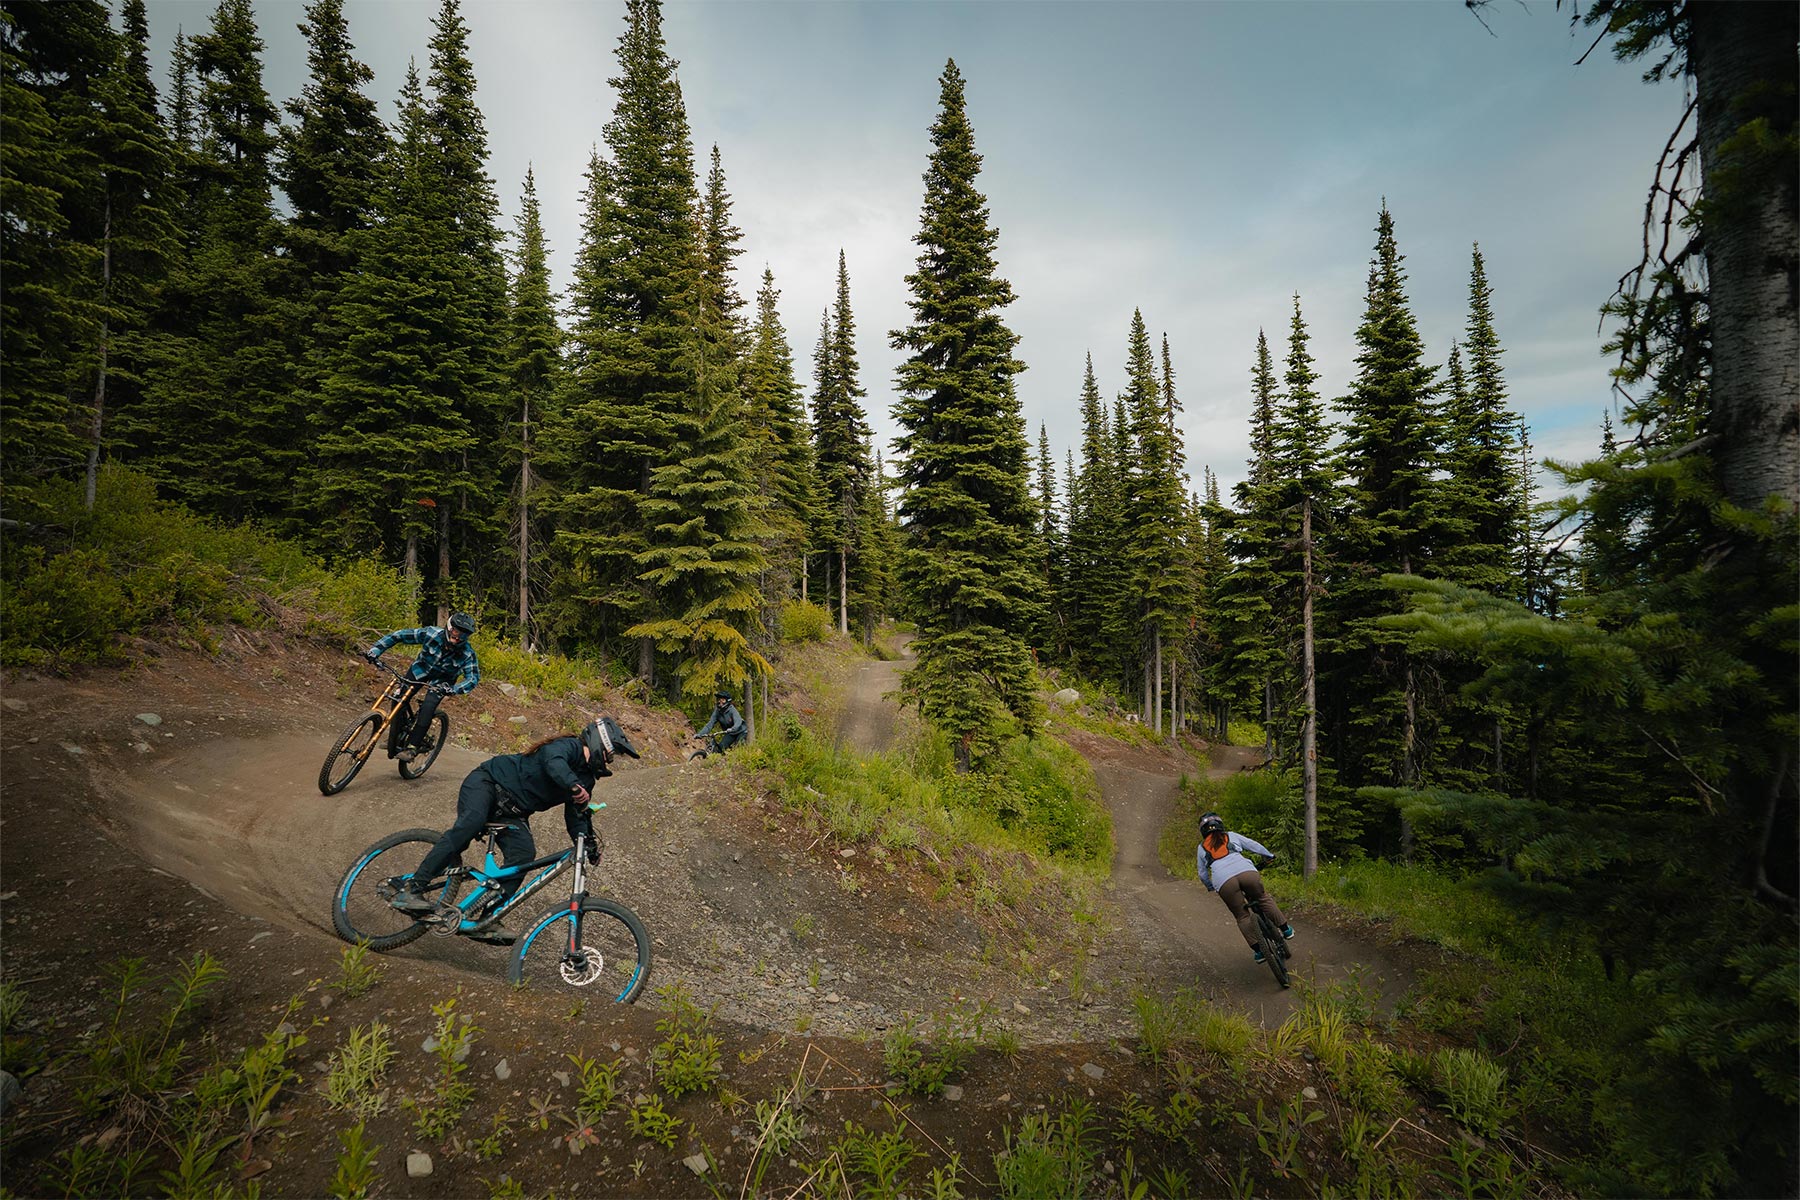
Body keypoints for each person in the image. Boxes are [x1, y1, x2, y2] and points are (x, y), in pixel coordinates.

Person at [391, 714, 641, 943]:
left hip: (513, 813)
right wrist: (573, 786)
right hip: (488, 782)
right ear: (602, 742)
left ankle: (487, 920)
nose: (611, 759)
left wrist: (587, 842)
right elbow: (552, 763)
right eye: (613, 753)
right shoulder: (568, 747)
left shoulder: (586, 779)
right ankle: (413, 887)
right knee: (470, 824)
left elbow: (575, 816)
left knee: (523, 855)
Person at [364, 612, 481, 761]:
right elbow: (398, 635)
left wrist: (453, 689)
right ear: (449, 627)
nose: (458, 637)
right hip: (420, 670)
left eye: (464, 635)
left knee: (428, 707)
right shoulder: (431, 634)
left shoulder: (467, 654)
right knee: (398, 698)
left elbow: (472, 678)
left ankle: (413, 746)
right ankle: (398, 735)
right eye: (456, 631)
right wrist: (376, 650)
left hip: (442, 681)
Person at [1196, 811, 1294, 963]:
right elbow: (1253, 845)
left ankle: (1258, 951)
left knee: (1241, 915)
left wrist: (1210, 886)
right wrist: (1268, 856)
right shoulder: (1231, 835)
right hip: (1246, 872)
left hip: (1224, 881)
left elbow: (1202, 874)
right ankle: (1285, 929)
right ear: (1220, 825)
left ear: (1203, 830)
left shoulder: (1201, 848)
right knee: (1262, 898)